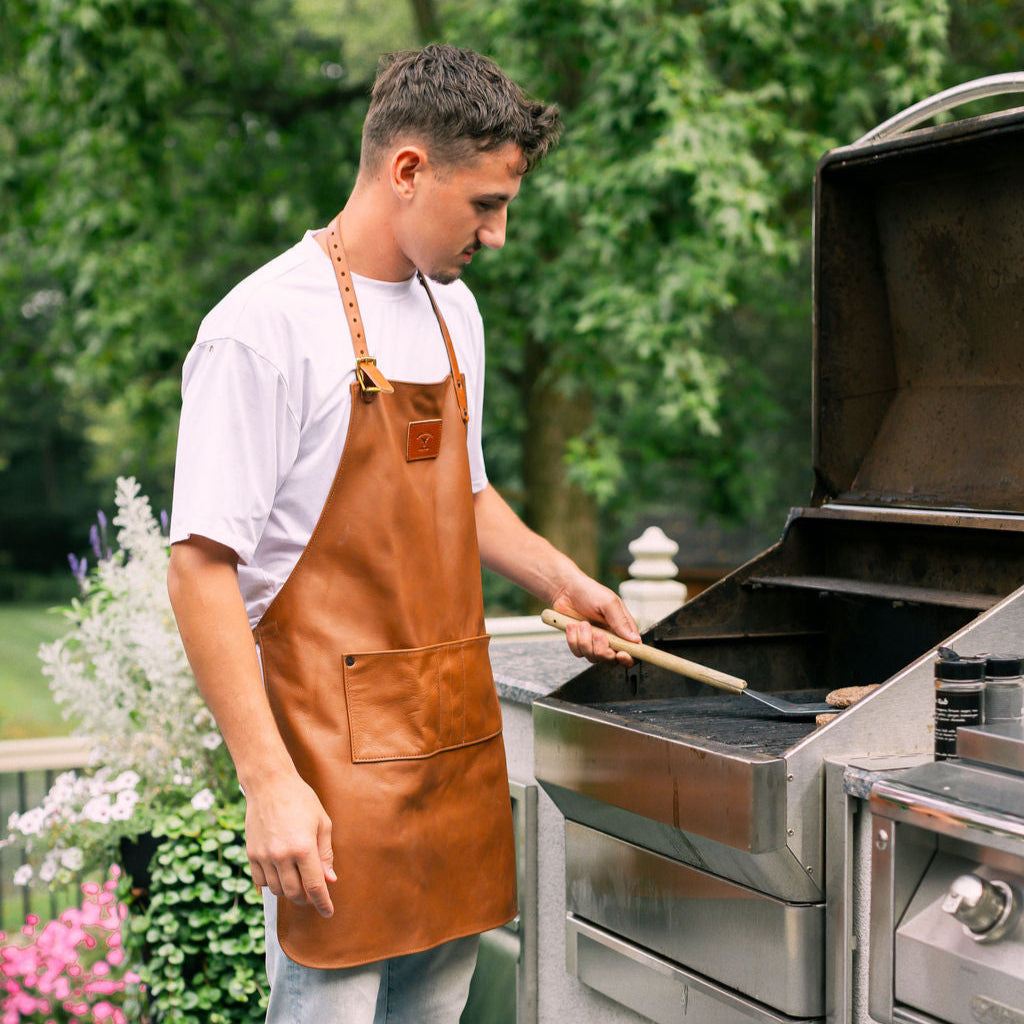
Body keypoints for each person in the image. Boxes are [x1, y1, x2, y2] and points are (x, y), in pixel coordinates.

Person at [166, 43, 640, 1024]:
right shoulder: (260, 328)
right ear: (409, 169)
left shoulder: (452, 311)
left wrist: (563, 580)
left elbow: (461, 498)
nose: (498, 235)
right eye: (485, 204)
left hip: (451, 753)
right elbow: (200, 568)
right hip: (329, 774)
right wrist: (268, 783)